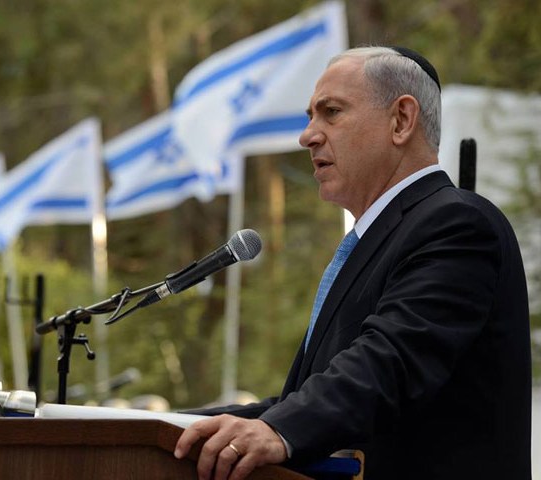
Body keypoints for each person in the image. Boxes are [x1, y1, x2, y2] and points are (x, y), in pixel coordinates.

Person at [173, 46, 532, 480]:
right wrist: (169, 426)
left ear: (401, 120)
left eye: (331, 112)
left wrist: (280, 429)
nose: (308, 135)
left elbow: (388, 363)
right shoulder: (373, 242)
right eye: (310, 117)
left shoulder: (455, 224)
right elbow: (308, 397)